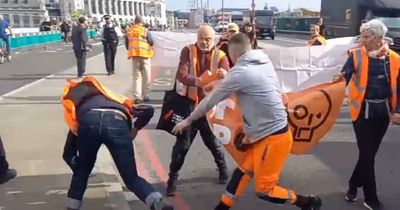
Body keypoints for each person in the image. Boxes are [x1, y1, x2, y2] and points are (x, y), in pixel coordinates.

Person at [172, 33, 322, 210]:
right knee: (242, 174)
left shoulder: (240, 73)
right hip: (265, 134)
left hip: (272, 140)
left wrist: (188, 121)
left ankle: (308, 202)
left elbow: (210, 101)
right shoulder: (264, 62)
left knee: (265, 191)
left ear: (233, 56)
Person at [62, 76, 174, 210]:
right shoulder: (116, 99)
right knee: (131, 178)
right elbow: (148, 110)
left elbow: (68, 152)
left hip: (89, 122)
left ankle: (72, 207)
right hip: (117, 121)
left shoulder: (77, 107)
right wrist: (135, 129)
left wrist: (80, 167)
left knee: (81, 174)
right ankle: (157, 202)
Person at [333, 19, 400, 210]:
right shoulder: (355, 56)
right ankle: (371, 198)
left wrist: (398, 112)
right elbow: (345, 75)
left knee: (368, 154)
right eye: (362, 36)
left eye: (368, 36)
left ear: (380, 38)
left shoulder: (395, 58)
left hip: (383, 113)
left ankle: (353, 185)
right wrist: (337, 82)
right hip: (361, 113)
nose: (363, 40)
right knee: (368, 155)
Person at [165, 25, 229, 197]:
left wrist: (224, 74)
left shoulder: (221, 55)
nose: (204, 42)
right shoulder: (188, 50)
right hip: (190, 105)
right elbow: (181, 75)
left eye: (208, 39)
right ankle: (172, 179)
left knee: (213, 143)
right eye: (201, 38)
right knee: (182, 145)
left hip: (209, 107)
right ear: (197, 37)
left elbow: (229, 77)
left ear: (214, 39)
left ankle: (223, 168)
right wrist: (199, 82)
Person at [126, 16, 154, 104]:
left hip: (134, 56)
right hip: (145, 56)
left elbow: (127, 44)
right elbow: (151, 41)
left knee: (136, 77)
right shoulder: (145, 30)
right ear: (141, 22)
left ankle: (137, 97)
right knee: (146, 76)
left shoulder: (130, 31)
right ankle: (145, 95)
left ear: (134, 22)